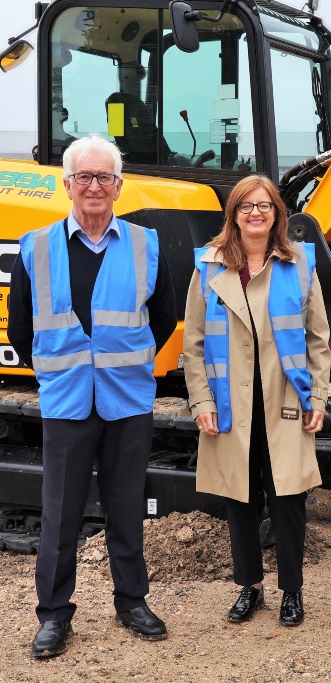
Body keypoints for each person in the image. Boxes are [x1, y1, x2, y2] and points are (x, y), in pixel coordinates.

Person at [7, 134, 178, 658]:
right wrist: (63, 373)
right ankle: (54, 615)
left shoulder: (146, 245)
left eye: (105, 177)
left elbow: (165, 317)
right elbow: (19, 329)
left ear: (120, 186)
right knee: (59, 514)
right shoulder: (35, 247)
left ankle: (132, 601)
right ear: (68, 186)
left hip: (127, 401)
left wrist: (123, 363)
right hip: (68, 403)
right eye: (85, 177)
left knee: (126, 508)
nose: (95, 186)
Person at [182, 175, 331, 628]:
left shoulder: (299, 264)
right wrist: (201, 402)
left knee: (288, 499)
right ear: (234, 214)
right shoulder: (208, 268)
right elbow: (193, 344)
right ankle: (249, 588)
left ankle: (291, 591)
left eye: (265, 206)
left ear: (277, 215)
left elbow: (319, 338)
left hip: (285, 400)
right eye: (246, 206)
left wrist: (319, 396)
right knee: (240, 499)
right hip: (230, 404)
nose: (256, 213)